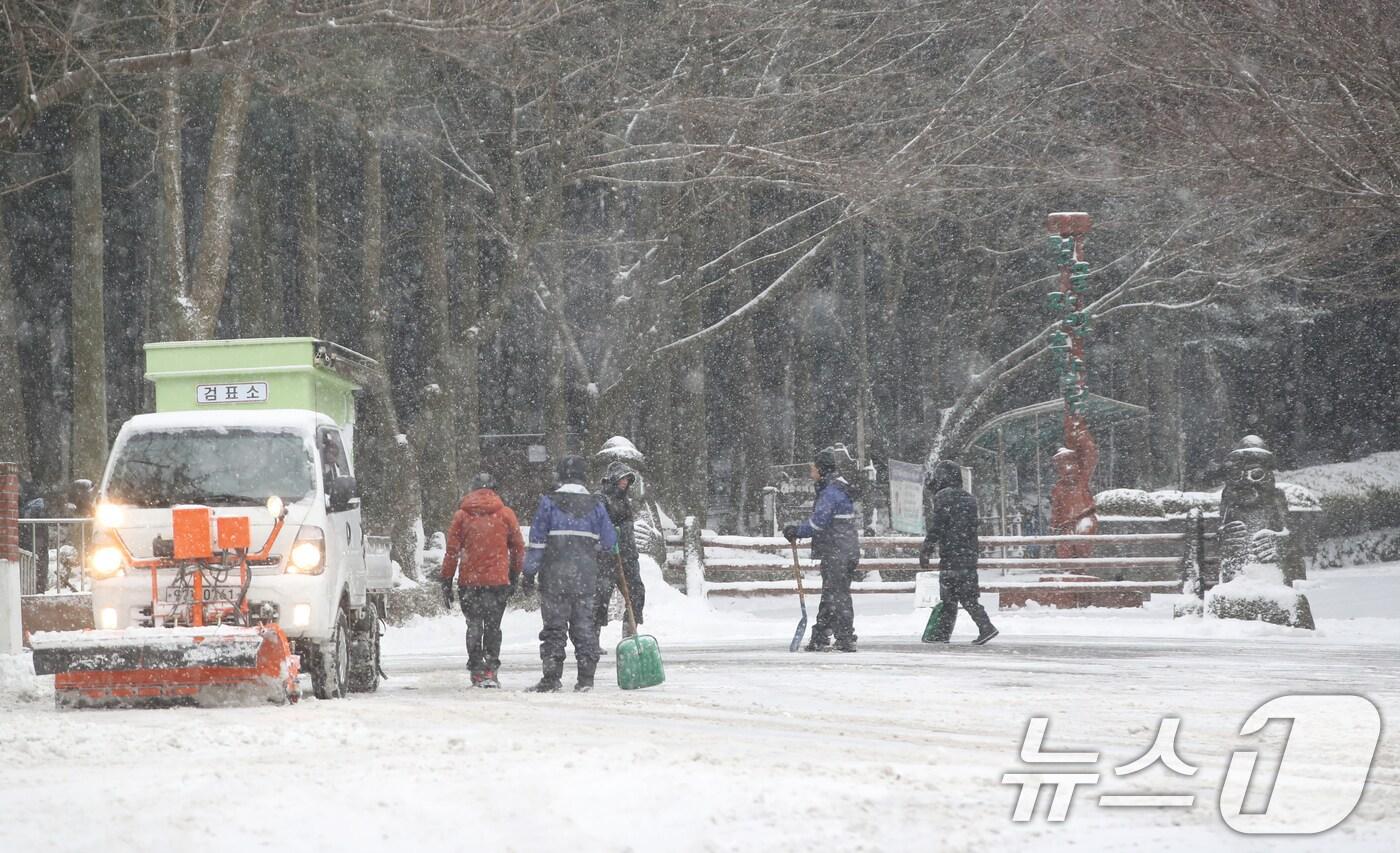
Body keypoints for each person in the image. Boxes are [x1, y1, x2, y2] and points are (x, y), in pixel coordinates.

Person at [523, 455, 617, 692]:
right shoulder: (597, 505)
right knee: (584, 628)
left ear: (561, 476)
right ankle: (586, 679)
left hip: (554, 578)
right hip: (585, 579)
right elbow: (609, 541)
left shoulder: (548, 502)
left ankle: (552, 678)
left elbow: (537, 542)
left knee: (555, 629)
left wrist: (528, 573)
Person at [440, 472, 525, 688]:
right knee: (494, 626)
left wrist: (447, 580)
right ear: (494, 490)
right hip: (498, 581)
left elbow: (452, 551)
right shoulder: (506, 514)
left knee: (474, 625)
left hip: (470, 581)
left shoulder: (462, 516)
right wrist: (515, 573)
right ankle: (491, 668)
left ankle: (476, 669)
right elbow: (517, 547)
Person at [783, 447, 860, 652]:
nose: (811, 473)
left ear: (821, 470)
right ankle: (821, 634)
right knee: (832, 593)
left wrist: (796, 530)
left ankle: (845, 636)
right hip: (845, 549)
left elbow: (818, 524)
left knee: (838, 594)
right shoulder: (836, 488)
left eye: (813, 469)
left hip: (838, 551)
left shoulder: (831, 493)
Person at [919, 460, 998, 645]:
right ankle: (984, 627)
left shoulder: (943, 498)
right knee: (968, 596)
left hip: (951, 555)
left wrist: (926, 549)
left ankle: (947, 633)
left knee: (949, 598)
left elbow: (937, 527)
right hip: (968, 555)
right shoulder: (969, 498)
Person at [593, 460, 644, 647]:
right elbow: (598, 525)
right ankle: (593, 639)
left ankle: (629, 635)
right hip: (606, 557)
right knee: (600, 596)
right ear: (613, 479)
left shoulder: (625, 501)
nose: (625, 483)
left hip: (628, 556)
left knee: (636, 593)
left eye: (628, 480)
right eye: (622, 478)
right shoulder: (600, 498)